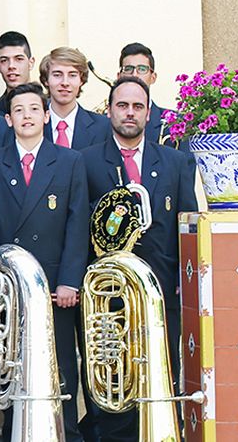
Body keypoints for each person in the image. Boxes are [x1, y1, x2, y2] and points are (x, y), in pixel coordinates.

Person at [80, 76, 198, 442]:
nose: (129, 113)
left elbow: (186, 225)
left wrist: (186, 283)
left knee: (163, 369)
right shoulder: (84, 161)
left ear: (149, 114)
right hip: (110, 296)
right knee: (114, 376)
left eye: (137, 107)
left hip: (163, 292)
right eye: (122, 106)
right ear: (109, 110)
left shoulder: (177, 162)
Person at [0, 83, 88, 438]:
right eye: (19, 110)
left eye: (34, 109)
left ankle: (64, 432)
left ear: (46, 116)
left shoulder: (70, 161)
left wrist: (70, 279)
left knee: (61, 364)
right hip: (10, 286)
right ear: (8, 119)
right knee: (15, 364)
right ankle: (17, 433)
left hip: (56, 286)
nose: (27, 116)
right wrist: (0, 275)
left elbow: (76, 224)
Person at [40, 47, 109, 149]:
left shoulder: (103, 127)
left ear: (81, 80)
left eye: (72, 75)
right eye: (57, 75)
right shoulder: (33, 123)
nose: (65, 83)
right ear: (46, 80)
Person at [118, 43, 171, 145]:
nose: (134, 75)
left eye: (142, 69)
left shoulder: (174, 123)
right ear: (119, 76)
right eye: (128, 69)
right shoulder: (102, 124)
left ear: (153, 77)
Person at [0, 31, 34, 117]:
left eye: (19, 59)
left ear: (31, 63)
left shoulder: (50, 110)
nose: (11, 66)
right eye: (4, 60)